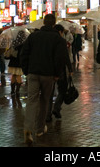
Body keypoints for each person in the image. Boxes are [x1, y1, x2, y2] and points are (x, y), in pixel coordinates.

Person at [20, 14, 67, 145]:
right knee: (45, 100)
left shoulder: (33, 36)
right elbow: (60, 59)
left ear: (43, 23)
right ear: (54, 24)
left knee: (31, 100)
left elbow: (24, 54)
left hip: (33, 73)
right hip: (48, 75)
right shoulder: (58, 39)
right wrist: (57, 74)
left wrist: (26, 70)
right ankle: (40, 129)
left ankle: (28, 128)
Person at [47, 24, 73, 121]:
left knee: (49, 93)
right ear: (60, 32)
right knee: (62, 90)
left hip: (48, 70)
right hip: (60, 70)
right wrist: (70, 69)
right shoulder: (61, 41)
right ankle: (57, 108)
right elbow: (65, 56)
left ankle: (47, 115)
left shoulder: (47, 40)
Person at [7, 30, 28, 97]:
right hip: (20, 61)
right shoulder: (24, 43)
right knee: (19, 76)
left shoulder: (14, 41)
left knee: (13, 75)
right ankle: (17, 91)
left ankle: (12, 91)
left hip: (13, 61)